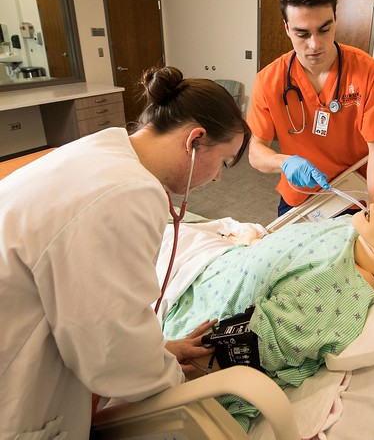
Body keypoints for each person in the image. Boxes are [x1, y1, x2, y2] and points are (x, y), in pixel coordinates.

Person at [0, 66, 251, 439]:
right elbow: (110, 349)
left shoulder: (104, 147)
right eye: (224, 163)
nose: (217, 178)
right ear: (195, 140)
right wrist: (176, 379)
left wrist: (160, 348)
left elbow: (95, 304)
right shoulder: (127, 194)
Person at [161, 182, 374, 429]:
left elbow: (224, 353)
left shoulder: (337, 294)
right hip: (214, 262)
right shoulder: (355, 231)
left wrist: (166, 363)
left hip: (186, 301)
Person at [247, 0, 374, 216]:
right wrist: (284, 162)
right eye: (302, 33)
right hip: (300, 197)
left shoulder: (366, 71)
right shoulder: (269, 80)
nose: (315, 45)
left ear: (336, 18)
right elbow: (256, 151)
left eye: (324, 29)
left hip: (355, 197)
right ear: (286, 28)